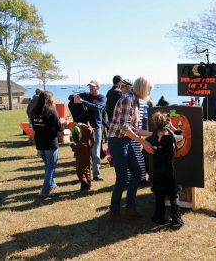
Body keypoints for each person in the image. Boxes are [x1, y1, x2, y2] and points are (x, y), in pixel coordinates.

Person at [107, 76, 154, 222]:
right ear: (143, 88)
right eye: (149, 89)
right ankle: (114, 212)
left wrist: (151, 134)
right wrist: (143, 142)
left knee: (137, 173)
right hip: (117, 141)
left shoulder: (135, 100)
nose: (149, 92)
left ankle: (130, 208)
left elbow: (133, 127)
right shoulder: (128, 99)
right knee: (122, 178)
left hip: (125, 140)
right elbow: (125, 128)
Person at [146, 111, 183, 227]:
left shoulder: (152, 137)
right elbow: (181, 135)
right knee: (173, 195)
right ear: (166, 123)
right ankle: (176, 220)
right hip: (169, 171)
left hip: (157, 171)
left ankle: (159, 217)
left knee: (159, 195)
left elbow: (146, 142)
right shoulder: (171, 137)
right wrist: (172, 127)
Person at [30, 91, 63, 198]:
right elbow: (59, 128)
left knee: (48, 166)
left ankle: (52, 184)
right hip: (50, 143)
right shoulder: (51, 111)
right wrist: (63, 124)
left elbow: (34, 126)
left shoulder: (34, 111)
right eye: (52, 98)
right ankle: (45, 191)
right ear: (49, 99)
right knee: (50, 167)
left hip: (39, 143)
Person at [73, 80, 107, 181]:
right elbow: (71, 97)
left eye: (93, 87)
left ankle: (96, 174)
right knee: (84, 151)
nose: (91, 89)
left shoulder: (102, 98)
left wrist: (83, 101)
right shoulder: (87, 95)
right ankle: (84, 173)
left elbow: (97, 108)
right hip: (85, 127)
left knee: (95, 151)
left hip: (96, 127)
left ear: (98, 87)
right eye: (90, 87)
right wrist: (75, 97)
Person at [70, 123, 94, 192]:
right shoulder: (89, 141)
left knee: (79, 171)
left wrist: (72, 145)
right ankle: (85, 186)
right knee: (86, 171)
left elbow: (76, 148)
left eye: (80, 132)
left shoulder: (81, 142)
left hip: (81, 159)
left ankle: (85, 184)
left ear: (83, 134)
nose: (79, 133)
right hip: (86, 159)